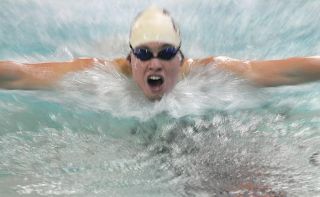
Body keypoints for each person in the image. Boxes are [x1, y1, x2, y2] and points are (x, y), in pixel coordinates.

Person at [0, 6, 320, 100]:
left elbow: (289, 70)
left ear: (181, 58)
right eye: (144, 53)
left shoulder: (211, 71)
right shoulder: (101, 73)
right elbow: (19, 76)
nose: (155, 62)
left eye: (166, 52)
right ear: (130, 59)